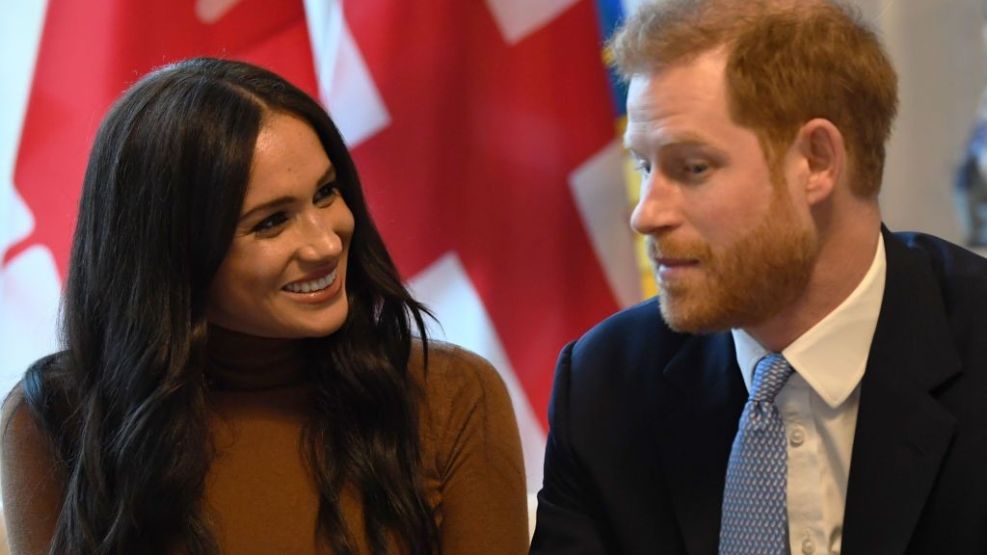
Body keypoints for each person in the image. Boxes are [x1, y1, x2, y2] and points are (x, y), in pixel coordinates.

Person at [1, 57, 528, 555]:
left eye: (326, 193)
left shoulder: (453, 396)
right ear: (172, 254)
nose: (326, 243)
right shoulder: (52, 419)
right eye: (272, 221)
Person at [530, 1, 987, 554]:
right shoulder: (606, 384)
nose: (646, 213)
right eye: (645, 167)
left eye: (692, 168)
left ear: (817, 161)